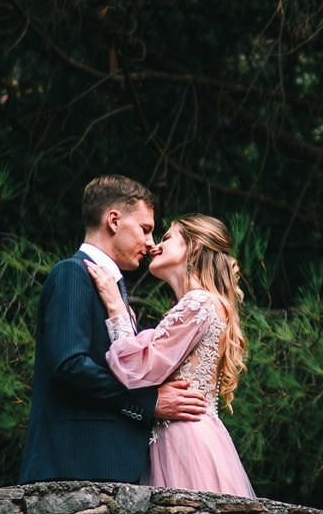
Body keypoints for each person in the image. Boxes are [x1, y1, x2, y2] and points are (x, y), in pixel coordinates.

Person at [18, 176, 207, 484]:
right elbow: (71, 365)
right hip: (73, 468)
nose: (150, 242)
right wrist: (150, 402)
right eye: (145, 229)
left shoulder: (113, 291)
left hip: (108, 473)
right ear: (114, 220)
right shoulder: (72, 274)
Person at [85, 213, 256, 496]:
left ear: (195, 247)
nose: (155, 246)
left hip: (185, 440)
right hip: (191, 435)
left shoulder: (198, 302)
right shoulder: (203, 304)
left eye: (166, 237)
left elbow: (137, 370)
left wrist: (116, 311)